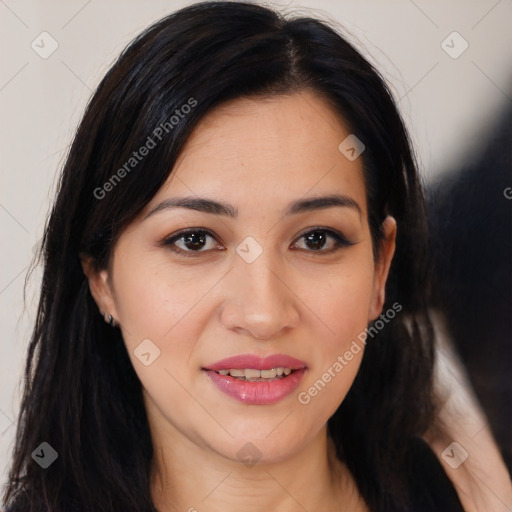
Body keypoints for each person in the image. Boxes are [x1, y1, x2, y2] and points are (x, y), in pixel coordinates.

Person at [2, 2, 511, 511]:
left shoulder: (475, 487)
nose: (263, 314)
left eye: (316, 239)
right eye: (195, 240)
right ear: (101, 279)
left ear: (380, 267)